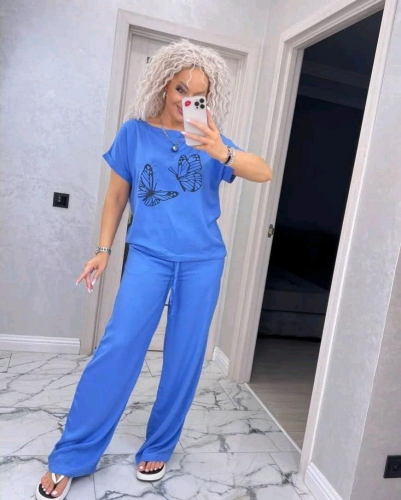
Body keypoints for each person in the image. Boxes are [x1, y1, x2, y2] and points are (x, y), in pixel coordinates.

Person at [36, 37, 272, 499]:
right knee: (118, 348)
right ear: (164, 84)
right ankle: (72, 455)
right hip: (148, 255)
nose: (187, 101)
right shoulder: (134, 133)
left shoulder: (211, 139)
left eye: (198, 94)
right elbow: (116, 196)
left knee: (185, 356)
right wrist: (103, 249)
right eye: (181, 89)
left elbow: (263, 172)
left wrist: (220, 150)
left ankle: (160, 445)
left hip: (202, 261)